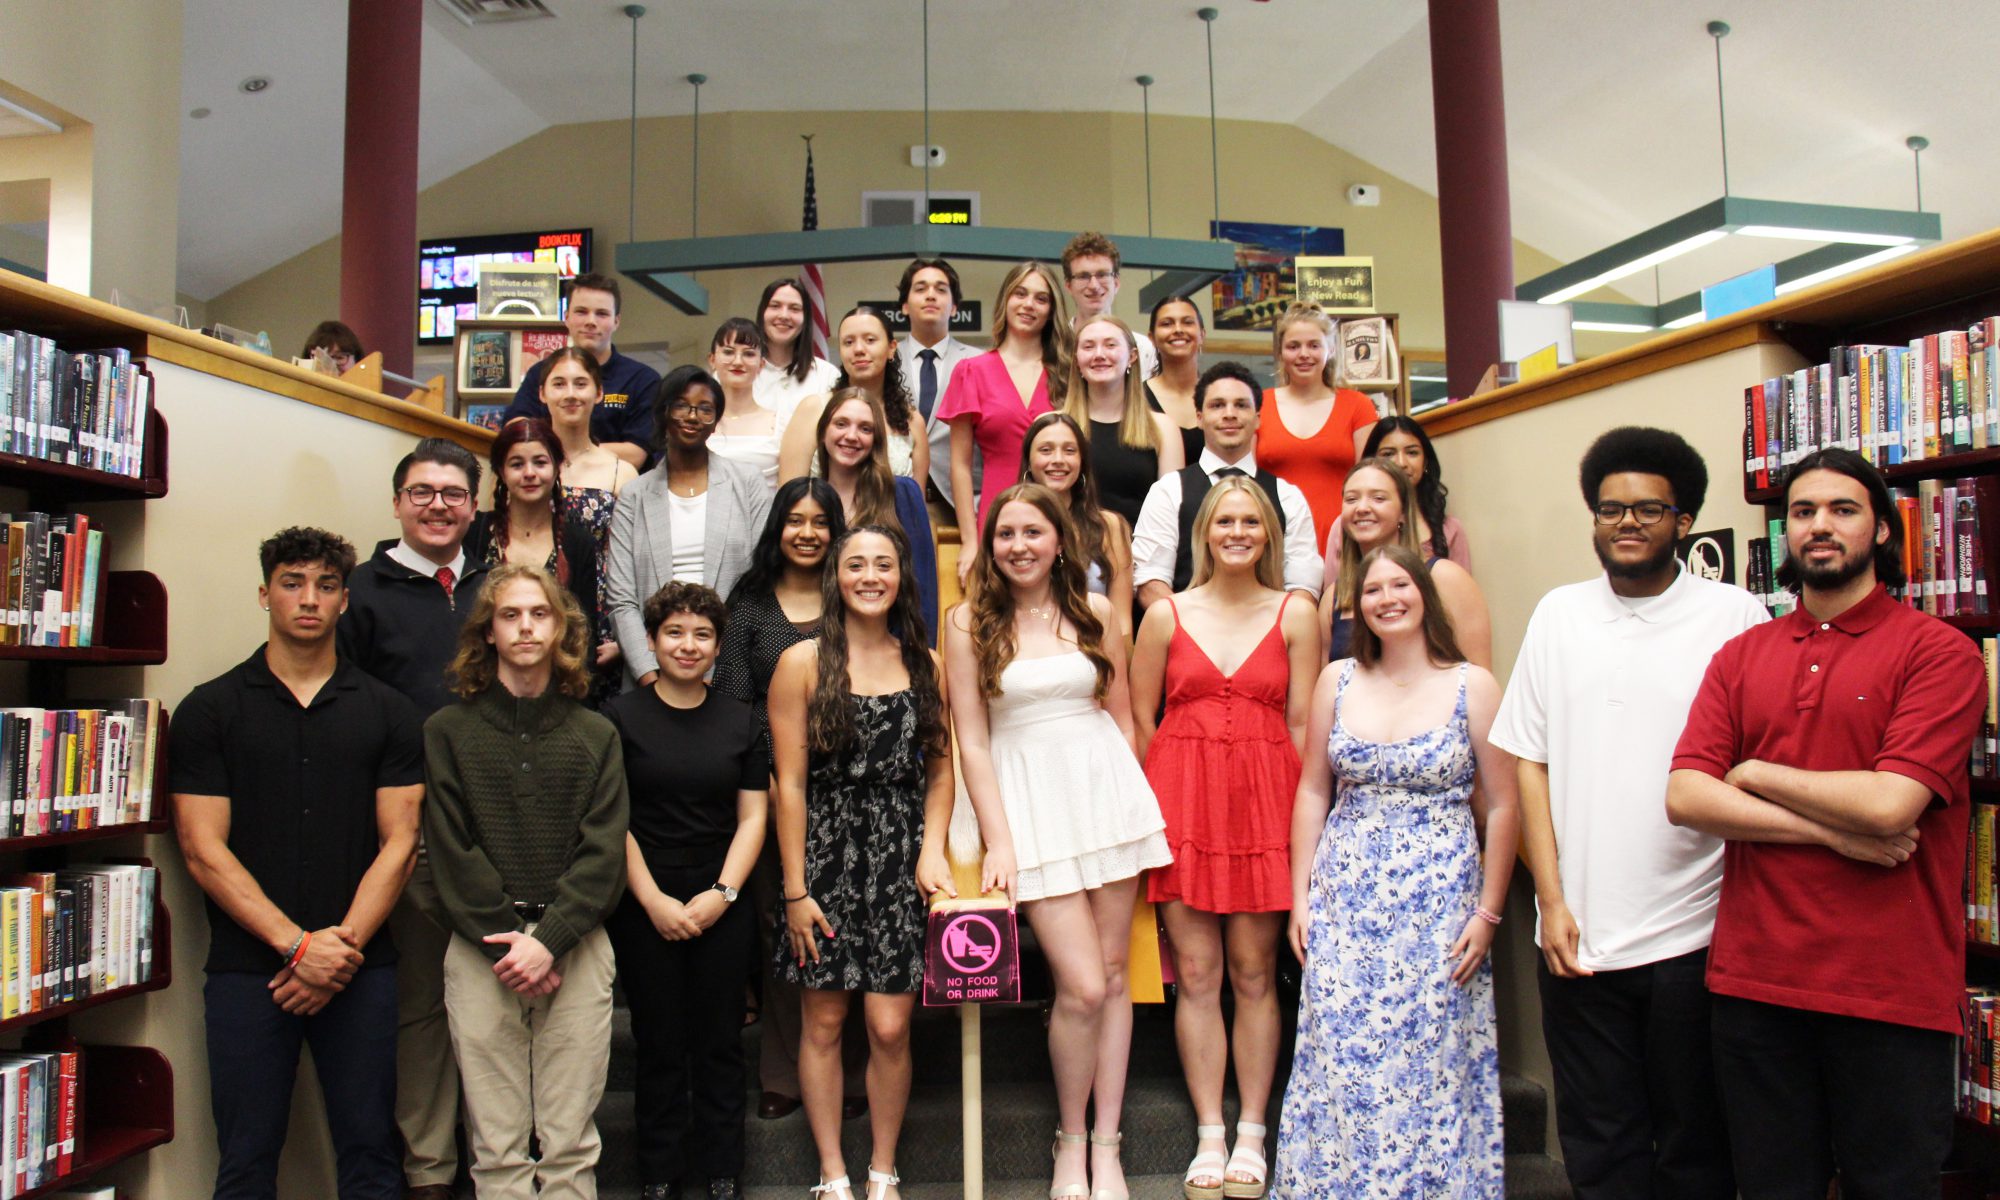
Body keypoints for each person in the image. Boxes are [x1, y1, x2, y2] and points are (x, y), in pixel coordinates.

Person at [1666, 446, 1986, 1199]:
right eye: (1803, 512)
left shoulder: (1940, 653)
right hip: (1754, 987)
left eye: (1843, 510)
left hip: (1890, 992)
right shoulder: (1741, 656)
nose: (1819, 526)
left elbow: (1890, 805)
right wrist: (1836, 833)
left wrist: (1755, 773)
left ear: (1880, 531)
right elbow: (1685, 796)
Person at [1491, 427, 1760, 1200]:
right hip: (1580, 931)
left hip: (1698, 928)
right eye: (1610, 509)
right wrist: (1550, 900)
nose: (1627, 523)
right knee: (1599, 1141)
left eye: (1648, 509)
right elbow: (1529, 762)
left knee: (1695, 1139)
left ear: (1683, 520)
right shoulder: (1559, 614)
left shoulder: (1733, 616)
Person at [174, 527, 423, 1200]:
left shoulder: (389, 712)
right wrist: (296, 947)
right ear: (265, 594)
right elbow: (202, 849)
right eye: (292, 583)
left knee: (371, 1155)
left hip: (360, 966)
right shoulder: (209, 710)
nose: (308, 600)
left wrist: (336, 952)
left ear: (345, 600)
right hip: (247, 971)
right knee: (247, 1160)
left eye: (326, 585)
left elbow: (400, 845)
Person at [942, 483, 1172, 1200]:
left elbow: (1127, 718)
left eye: (1032, 532)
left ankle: (1107, 1145)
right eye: (1005, 533)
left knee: (1111, 977)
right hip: (1028, 802)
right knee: (1076, 984)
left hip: (1105, 796)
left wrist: (1138, 810)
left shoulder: (1097, 612)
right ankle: (1068, 1138)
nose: (1018, 546)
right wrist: (999, 840)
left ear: (1058, 540)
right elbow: (972, 742)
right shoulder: (964, 624)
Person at [1274, 543, 1517, 1196]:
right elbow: (1313, 793)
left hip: (1439, 900)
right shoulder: (1338, 680)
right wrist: (1300, 899)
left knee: (1427, 1060)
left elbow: (1504, 805)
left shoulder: (1474, 685)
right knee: (1341, 1055)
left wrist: (1488, 913)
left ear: (1425, 597)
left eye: (1400, 585)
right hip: (1345, 895)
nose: (1387, 598)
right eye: (1373, 590)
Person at [1129, 479, 1317, 1200]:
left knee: (1254, 972)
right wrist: (1165, 801)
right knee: (1199, 976)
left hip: (1268, 806)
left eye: (1251, 522)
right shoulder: (1165, 614)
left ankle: (1253, 1131)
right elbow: (1143, 719)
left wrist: (1302, 819)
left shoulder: (1295, 612)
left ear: (1269, 535)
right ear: (1202, 533)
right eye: (1223, 521)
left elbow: (1302, 724)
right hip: (1184, 806)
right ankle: (1211, 1128)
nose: (1237, 532)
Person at [424, 564, 630, 1200]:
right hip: (481, 946)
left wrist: (551, 939)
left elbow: (603, 852)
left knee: (570, 1143)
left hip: (577, 943)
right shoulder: (447, 731)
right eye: (510, 615)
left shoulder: (597, 733)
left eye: (539, 614)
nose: (525, 627)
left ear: (561, 628)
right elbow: (450, 848)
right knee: (497, 1146)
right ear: (487, 632)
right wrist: (513, 938)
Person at [767, 525, 955, 1200]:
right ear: (836, 576)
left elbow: (940, 773)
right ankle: (832, 1173)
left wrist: (931, 848)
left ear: (901, 576)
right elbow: (786, 782)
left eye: (883, 564)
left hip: (902, 855)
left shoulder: (927, 663)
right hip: (824, 856)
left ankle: (882, 1168)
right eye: (856, 564)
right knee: (822, 1021)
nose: (870, 575)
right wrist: (794, 889)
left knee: (889, 1024)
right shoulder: (802, 663)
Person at [338, 436, 492, 1200]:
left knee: (500, 1002)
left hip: (500, 833)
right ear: (398, 501)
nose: (438, 505)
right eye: (423, 492)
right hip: (410, 835)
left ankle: (495, 1160)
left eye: (453, 494)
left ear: (474, 506)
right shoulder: (360, 592)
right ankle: (432, 1172)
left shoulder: (499, 590)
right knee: (425, 1008)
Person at [602, 582, 767, 1200]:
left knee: (721, 1041)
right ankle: (660, 1172)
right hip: (644, 894)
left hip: (722, 893)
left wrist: (722, 893)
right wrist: (651, 901)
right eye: (674, 632)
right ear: (650, 642)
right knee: (659, 1041)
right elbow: (611, 821)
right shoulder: (618, 719)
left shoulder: (740, 720)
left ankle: (723, 1169)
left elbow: (753, 818)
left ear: (719, 646)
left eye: (702, 634)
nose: (687, 645)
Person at [607, 365, 773, 688]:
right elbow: (622, 600)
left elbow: (761, 583)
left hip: (730, 672)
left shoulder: (748, 483)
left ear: (715, 421)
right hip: (650, 674)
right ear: (664, 412)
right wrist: (650, 677)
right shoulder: (634, 496)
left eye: (705, 409)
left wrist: (716, 669)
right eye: (682, 405)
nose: (692, 416)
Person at [1131, 362, 1323, 611]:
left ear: (1257, 419)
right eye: (1217, 405)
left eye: (1241, 405)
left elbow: (1303, 589)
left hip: (1267, 640)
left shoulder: (1288, 496)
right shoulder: (1168, 491)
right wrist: (1197, 635)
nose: (1230, 413)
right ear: (1199, 418)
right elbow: (1149, 583)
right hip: (1187, 640)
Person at [464, 419, 608, 699]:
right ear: (501, 472)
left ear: (557, 467)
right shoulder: (476, 534)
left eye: (540, 463)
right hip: (484, 691)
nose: (529, 473)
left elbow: (585, 634)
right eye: (517, 464)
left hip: (559, 693)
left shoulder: (578, 543)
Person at [940, 260, 1069, 570]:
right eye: (1020, 294)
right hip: (996, 516)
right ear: (1005, 300)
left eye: (1041, 298)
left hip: (1060, 516)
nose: (1029, 304)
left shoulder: (1069, 374)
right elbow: (959, 464)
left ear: (1052, 310)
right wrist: (970, 539)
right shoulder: (971, 371)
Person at [1319, 457, 1490, 665]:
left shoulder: (1445, 578)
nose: (1362, 508)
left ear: (1403, 512)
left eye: (1378, 498)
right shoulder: (1334, 596)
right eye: (1352, 499)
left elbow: (1478, 677)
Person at [805, 388, 939, 646]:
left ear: (876, 439)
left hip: (887, 648)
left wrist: (917, 658)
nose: (851, 436)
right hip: (817, 644)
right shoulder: (807, 499)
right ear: (823, 432)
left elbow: (921, 593)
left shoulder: (901, 494)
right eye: (841, 424)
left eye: (865, 428)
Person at [542, 347, 640, 697]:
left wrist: (620, 636)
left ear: (598, 393)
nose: (570, 393)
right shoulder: (523, 467)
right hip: (531, 614)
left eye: (581, 383)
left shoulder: (621, 472)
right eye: (559, 383)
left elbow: (629, 563)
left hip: (597, 626)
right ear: (542, 393)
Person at [503, 272, 660, 470]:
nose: (591, 321)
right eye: (581, 312)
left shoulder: (643, 381)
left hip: (617, 492)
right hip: (548, 489)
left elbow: (634, 454)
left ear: (616, 321)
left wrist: (555, 451)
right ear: (567, 317)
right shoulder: (540, 373)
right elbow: (516, 430)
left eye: (601, 313)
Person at [1255, 303, 1379, 540]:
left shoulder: (1358, 406)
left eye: (1314, 345)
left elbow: (1373, 481)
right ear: (1280, 352)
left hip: (1343, 541)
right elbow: (1246, 481)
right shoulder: (1258, 405)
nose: (1304, 354)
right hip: (1273, 540)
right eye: (1293, 346)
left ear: (1330, 349)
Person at [780, 306, 931, 485]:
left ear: (891, 348)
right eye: (848, 342)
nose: (859, 349)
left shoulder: (912, 421)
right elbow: (788, 496)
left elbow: (915, 506)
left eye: (870, 340)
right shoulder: (814, 409)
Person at [1018, 412, 1134, 642]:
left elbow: (1122, 624)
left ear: (1082, 463)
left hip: (1095, 656)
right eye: (1046, 450)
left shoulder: (1109, 528)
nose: (1058, 459)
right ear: (1029, 462)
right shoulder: (1011, 528)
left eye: (1069, 450)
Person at [1061, 315, 1183, 529]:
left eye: (1110, 345)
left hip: (1142, 556)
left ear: (1132, 357)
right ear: (1076, 360)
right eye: (1088, 347)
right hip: (1070, 555)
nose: (1099, 355)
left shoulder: (1163, 429)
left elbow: (1172, 515)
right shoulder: (1054, 426)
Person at [1320, 417, 1469, 592]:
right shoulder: (1350, 522)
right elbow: (1335, 596)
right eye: (1388, 454)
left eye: (1412, 452)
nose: (1401, 463)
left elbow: (1461, 598)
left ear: (1426, 461)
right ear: (1372, 461)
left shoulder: (1450, 529)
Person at [895, 257, 981, 512]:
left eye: (941, 290)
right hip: (896, 501)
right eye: (920, 289)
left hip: (963, 505)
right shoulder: (884, 361)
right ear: (904, 306)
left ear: (954, 307)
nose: (931, 295)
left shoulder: (980, 363)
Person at [705, 317, 791, 493]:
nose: (738, 361)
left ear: (761, 365)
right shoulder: (696, 422)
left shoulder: (782, 423)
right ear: (712, 360)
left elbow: (789, 495)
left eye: (749, 354)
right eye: (728, 352)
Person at [1061, 232, 1158, 380]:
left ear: (1116, 283)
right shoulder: (1054, 346)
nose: (1094, 285)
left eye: (1102, 275)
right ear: (1068, 286)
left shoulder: (1142, 348)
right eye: (1083, 276)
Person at [752, 277, 841, 417]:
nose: (784, 315)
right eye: (775, 306)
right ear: (762, 312)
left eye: (794, 308)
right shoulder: (739, 371)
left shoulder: (827, 376)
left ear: (805, 319)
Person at [1144, 295, 1206, 465]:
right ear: (1152, 338)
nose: (1178, 329)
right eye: (1167, 323)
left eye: (1187, 322)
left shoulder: (1220, 398)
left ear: (1202, 334)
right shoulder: (1135, 399)